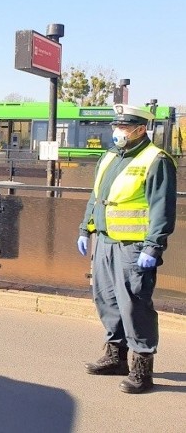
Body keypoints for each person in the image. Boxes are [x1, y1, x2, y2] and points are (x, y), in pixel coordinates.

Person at [77, 103, 177, 394]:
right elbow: (96, 198)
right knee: (106, 299)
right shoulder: (109, 156)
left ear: (140, 129)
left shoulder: (155, 159)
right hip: (105, 242)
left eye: (123, 127)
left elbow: (162, 208)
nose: (116, 131)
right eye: (115, 126)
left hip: (134, 248)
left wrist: (153, 246)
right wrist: (86, 228)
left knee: (134, 305)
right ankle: (115, 357)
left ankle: (142, 369)